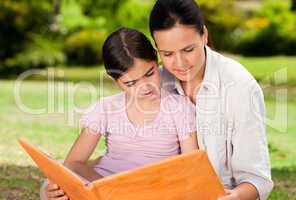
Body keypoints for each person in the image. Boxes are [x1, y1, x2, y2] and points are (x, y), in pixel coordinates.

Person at [41, 27, 199, 200]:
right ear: (115, 80)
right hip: (105, 185)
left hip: (154, 190)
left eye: (149, 73)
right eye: (131, 83)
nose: (145, 86)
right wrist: (106, 189)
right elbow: (74, 163)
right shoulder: (106, 109)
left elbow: (190, 167)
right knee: (50, 188)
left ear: (157, 59)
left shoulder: (179, 108)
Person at [149, 0, 273, 200]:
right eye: (168, 54)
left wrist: (235, 197)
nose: (179, 63)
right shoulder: (156, 84)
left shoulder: (240, 86)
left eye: (188, 50)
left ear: (204, 35)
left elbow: (257, 179)